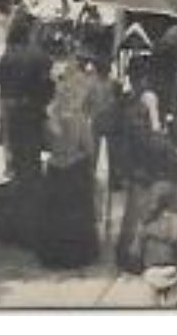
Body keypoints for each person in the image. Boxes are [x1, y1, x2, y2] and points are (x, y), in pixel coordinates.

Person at [39, 57, 102, 269]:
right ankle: (78, 254)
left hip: (56, 168)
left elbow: (46, 144)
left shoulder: (48, 114)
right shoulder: (78, 116)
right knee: (75, 215)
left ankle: (56, 255)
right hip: (74, 168)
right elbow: (88, 148)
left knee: (56, 216)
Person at [0, 12, 54, 180]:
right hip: (31, 108)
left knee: (12, 146)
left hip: (9, 105)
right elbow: (48, 85)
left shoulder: (8, 54)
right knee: (31, 151)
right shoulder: (40, 56)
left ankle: (13, 172)